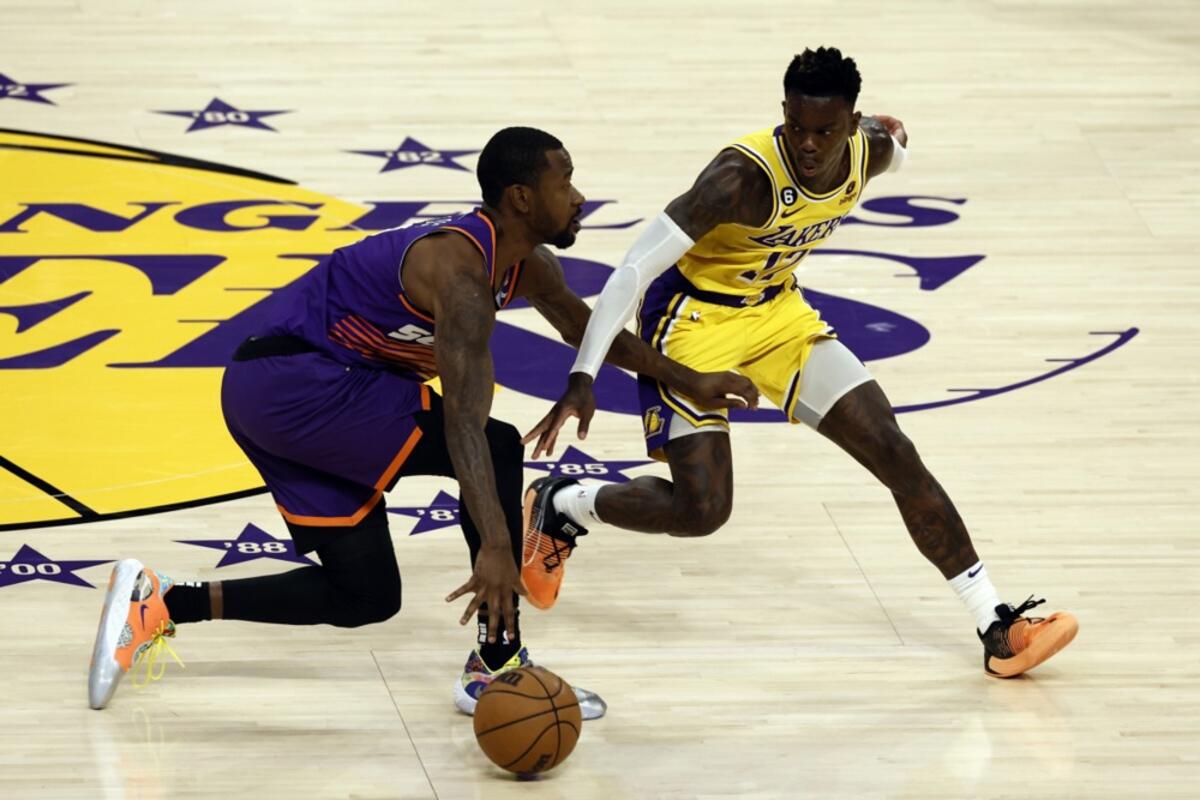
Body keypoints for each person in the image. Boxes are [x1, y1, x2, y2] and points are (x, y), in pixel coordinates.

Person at [88, 126, 757, 714]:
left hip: (292, 397)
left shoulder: (526, 267)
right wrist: (497, 549)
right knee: (496, 444)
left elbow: (591, 331)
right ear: (522, 198)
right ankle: (497, 661)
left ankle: (160, 603)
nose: (579, 196)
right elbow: (467, 428)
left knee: (364, 594)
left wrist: (689, 379)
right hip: (297, 385)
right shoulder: (459, 275)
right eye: (566, 181)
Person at [521, 48, 1078, 679]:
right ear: (782, 112)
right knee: (702, 512)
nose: (808, 145)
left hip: (777, 313)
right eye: (796, 126)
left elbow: (893, 142)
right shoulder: (739, 178)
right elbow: (632, 270)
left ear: (852, 123)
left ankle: (996, 624)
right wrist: (583, 376)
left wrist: (896, 135)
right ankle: (565, 503)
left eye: (825, 131)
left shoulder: (869, 150)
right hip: (692, 320)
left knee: (895, 451)